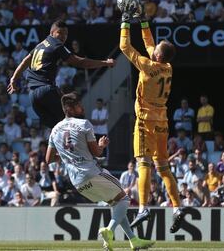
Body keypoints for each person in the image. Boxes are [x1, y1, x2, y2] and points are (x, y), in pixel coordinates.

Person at [46, 92, 153, 250]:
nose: (81, 107)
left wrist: (67, 156)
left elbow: (48, 159)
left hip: (77, 182)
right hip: (92, 173)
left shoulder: (54, 130)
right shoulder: (84, 124)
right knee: (124, 200)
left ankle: (133, 240)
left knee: (116, 203)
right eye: (77, 105)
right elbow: (97, 152)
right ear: (69, 108)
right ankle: (109, 230)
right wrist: (102, 145)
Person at [119, 7, 184, 233]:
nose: (153, 48)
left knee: (143, 164)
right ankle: (177, 207)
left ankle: (144, 207)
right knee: (164, 167)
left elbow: (124, 47)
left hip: (145, 120)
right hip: (162, 121)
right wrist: (144, 22)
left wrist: (125, 22)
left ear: (156, 55)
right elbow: (150, 45)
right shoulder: (167, 68)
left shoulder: (147, 66)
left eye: (155, 49)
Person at [7, 20, 114, 128]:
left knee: (57, 129)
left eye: (66, 34)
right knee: (75, 119)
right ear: (52, 33)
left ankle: (61, 144)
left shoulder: (41, 45)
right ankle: (83, 144)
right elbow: (80, 62)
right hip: (46, 91)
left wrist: (14, 78)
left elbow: (26, 61)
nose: (63, 36)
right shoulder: (56, 45)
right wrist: (105, 63)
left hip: (33, 96)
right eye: (60, 33)